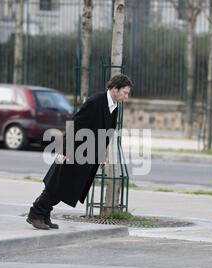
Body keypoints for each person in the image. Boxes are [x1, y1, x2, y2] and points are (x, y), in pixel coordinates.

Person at [26, 74, 133, 230]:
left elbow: (106, 134)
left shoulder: (114, 107)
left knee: (66, 186)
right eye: (125, 92)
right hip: (75, 150)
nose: (127, 96)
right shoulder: (95, 102)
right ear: (115, 89)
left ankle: (44, 215)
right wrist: (64, 150)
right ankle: (35, 214)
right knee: (57, 185)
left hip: (88, 155)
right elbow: (75, 125)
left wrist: (102, 155)